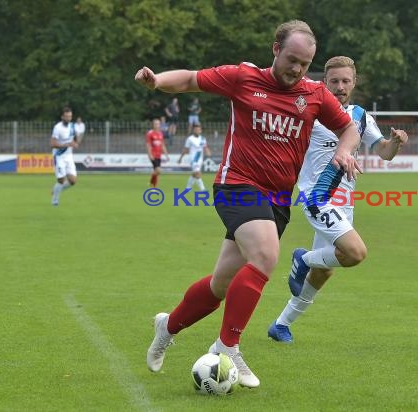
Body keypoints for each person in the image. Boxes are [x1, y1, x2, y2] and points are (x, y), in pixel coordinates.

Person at [134, 19, 361, 388]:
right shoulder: (243, 77)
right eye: (292, 59)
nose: (297, 69)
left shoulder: (315, 93)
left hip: (276, 198)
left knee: (221, 286)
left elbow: (348, 128)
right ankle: (228, 346)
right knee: (266, 255)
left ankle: (168, 325)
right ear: (276, 49)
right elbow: (191, 79)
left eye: (305, 63)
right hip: (237, 184)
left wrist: (345, 150)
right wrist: (157, 81)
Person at [267, 56, 408, 343]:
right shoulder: (310, 110)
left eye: (345, 81)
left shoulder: (360, 116)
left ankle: (281, 325)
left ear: (354, 83)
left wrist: (395, 142)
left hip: (344, 201)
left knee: (326, 270)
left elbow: (383, 151)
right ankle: (302, 258)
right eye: (334, 81)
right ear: (324, 83)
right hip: (317, 196)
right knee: (355, 254)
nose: (340, 87)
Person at [50, 107, 79, 206]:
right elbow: (52, 143)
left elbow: (73, 139)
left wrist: (75, 143)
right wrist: (64, 145)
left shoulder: (72, 126)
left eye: (70, 116)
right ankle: (55, 199)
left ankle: (56, 190)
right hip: (59, 156)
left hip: (69, 156)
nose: (68, 118)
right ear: (62, 117)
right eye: (66, 117)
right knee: (61, 180)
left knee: (73, 181)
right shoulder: (57, 128)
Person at [178, 123, 211, 191]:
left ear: (200, 130)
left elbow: (205, 147)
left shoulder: (203, 138)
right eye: (195, 129)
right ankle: (203, 189)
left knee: (194, 174)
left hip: (200, 158)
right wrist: (180, 158)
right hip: (193, 159)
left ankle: (188, 188)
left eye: (198, 129)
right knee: (197, 173)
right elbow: (185, 149)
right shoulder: (190, 139)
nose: (197, 131)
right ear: (193, 130)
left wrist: (208, 151)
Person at [146, 118, 170, 188]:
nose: (157, 125)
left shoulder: (160, 133)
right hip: (153, 154)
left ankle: (153, 186)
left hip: (158, 155)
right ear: (153, 125)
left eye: (158, 124)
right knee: (158, 170)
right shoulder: (150, 133)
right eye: (155, 124)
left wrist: (166, 155)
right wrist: (149, 154)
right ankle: (152, 184)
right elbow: (148, 144)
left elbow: (162, 144)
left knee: (157, 172)